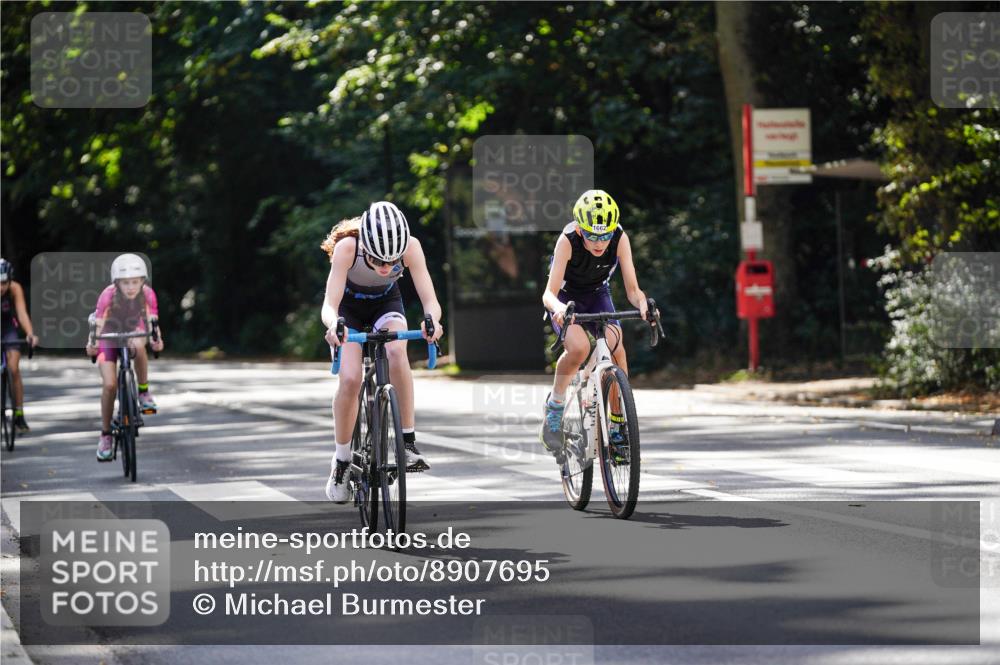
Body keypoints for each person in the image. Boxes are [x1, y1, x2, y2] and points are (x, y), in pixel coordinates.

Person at [320, 201, 444, 503]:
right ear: (365, 246)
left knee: (397, 353)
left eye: (393, 260)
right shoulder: (348, 248)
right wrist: (334, 325)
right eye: (377, 260)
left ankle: (407, 442)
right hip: (348, 311)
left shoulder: (411, 247)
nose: (386, 268)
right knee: (351, 379)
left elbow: (430, 299)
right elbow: (329, 305)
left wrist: (432, 321)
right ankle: (341, 460)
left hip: (386, 304)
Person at [540, 190, 648, 461]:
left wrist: (643, 304)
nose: (600, 243)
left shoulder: (620, 238)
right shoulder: (567, 240)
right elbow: (549, 293)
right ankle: (555, 406)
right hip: (566, 299)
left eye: (605, 235)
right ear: (580, 229)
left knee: (616, 344)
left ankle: (618, 423)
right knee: (579, 348)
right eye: (592, 236)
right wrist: (559, 309)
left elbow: (633, 290)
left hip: (598, 294)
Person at [85, 254, 164, 461]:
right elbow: (98, 326)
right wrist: (92, 344)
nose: (130, 287)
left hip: (134, 330)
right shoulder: (107, 295)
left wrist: (157, 340)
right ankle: (105, 434)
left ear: (142, 281)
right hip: (108, 335)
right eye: (125, 282)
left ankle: (143, 392)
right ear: (116, 283)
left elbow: (152, 322)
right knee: (110, 385)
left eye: (135, 282)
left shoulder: (147, 294)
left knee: (138, 344)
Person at [1, 258, 40, 432]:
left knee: (14, 368)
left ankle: (19, 413)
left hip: (8, 327)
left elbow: (22, 313)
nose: (1, 287)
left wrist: (30, 333)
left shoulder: (15, 288)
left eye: (4, 283)